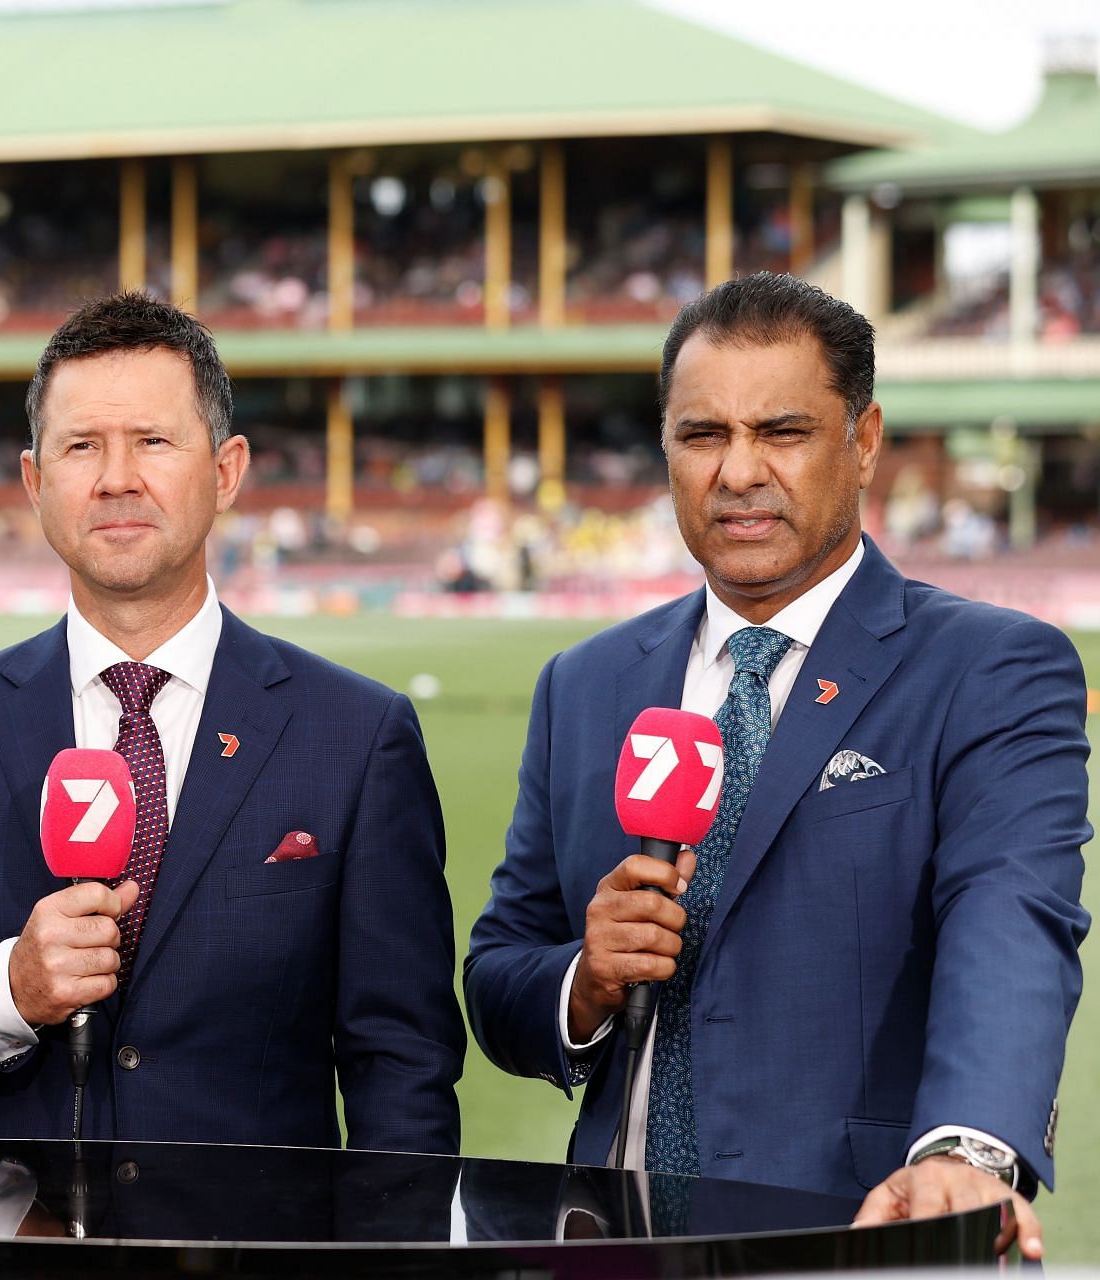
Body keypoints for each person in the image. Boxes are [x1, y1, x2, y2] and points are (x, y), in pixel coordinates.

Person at [464, 273, 1087, 1258]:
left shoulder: (989, 665)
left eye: (783, 432)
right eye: (702, 435)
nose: (738, 471)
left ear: (865, 438)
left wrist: (970, 1146)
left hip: (857, 1240)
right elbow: (500, 968)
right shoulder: (583, 684)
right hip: (605, 1240)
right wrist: (586, 976)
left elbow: (1010, 914)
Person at [0, 292, 464, 1154]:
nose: (116, 478)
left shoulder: (357, 736)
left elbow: (402, 1064)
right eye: (82, 447)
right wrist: (9, 988)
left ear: (225, 471)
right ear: (36, 483)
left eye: (153, 441)